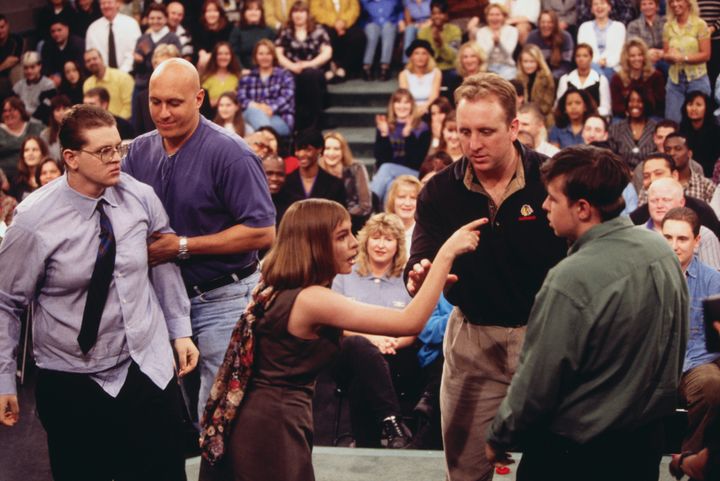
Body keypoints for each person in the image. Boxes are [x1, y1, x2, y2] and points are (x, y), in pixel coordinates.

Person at [197, 198, 483, 480]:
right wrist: (446, 253)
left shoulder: (279, 288)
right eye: (342, 236)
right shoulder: (312, 299)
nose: (354, 244)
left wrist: (428, 288)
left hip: (267, 419)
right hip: (272, 427)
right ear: (315, 243)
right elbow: (408, 323)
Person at [0, 104, 199, 481]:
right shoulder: (33, 220)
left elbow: (164, 257)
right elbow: (5, 303)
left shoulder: (140, 197)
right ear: (71, 158)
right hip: (72, 377)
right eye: (103, 151)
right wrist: (3, 379)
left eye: (118, 148)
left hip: (144, 365)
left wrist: (179, 329)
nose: (115, 159)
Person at [485, 145, 688, 481]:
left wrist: (500, 433)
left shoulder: (571, 277)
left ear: (582, 208)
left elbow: (538, 379)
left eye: (552, 198)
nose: (544, 205)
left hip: (573, 455)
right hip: (644, 446)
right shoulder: (661, 252)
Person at [405, 72, 567, 481]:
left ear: (514, 128)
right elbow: (421, 255)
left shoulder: (553, 178)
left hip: (548, 339)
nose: (473, 144)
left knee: (557, 467)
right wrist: (419, 272)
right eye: (464, 131)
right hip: (473, 342)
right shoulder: (439, 191)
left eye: (486, 131)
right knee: (465, 471)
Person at [122, 58, 276, 421]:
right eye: (155, 102)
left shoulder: (231, 153)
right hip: (162, 301)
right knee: (175, 420)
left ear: (199, 98)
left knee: (219, 417)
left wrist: (183, 246)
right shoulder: (139, 151)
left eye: (174, 102)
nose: (163, 112)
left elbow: (262, 231)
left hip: (224, 297)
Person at [332, 212, 419, 448]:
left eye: (388, 239)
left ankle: (367, 442)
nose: (381, 245)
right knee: (359, 347)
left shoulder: (407, 278)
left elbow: (414, 328)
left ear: (398, 245)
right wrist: (374, 340)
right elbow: (335, 324)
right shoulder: (345, 274)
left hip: (396, 355)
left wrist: (392, 343)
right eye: (376, 238)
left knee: (365, 375)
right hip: (348, 355)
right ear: (365, 241)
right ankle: (393, 424)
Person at [660, 206, 720, 464]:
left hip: (696, 363)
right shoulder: (645, 276)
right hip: (653, 365)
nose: (674, 246)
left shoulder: (713, 281)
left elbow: (715, 341)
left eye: (682, 238)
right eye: (668, 238)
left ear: (696, 242)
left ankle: (689, 459)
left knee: (711, 386)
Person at [630, 152, 720, 238]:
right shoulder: (638, 217)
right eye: (646, 176)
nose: (653, 179)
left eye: (658, 173)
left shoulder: (701, 211)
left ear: (674, 175)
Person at [276, 0, 332, 131]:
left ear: (307, 14)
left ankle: (315, 122)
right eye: (295, 12)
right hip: (291, 69)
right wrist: (292, 66)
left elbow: (327, 52)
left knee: (311, 75)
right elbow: (278, 53)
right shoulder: (285, 31)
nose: (298, 15)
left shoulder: (318, 30)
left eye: (301, 12)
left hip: (313, 70)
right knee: (290, 78)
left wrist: (309, 64)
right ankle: (297, 124)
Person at [370, 88, 431, 202]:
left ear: (411, 105)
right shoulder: (385, 125)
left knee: (386, 168)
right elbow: (380, 158)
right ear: (392, 105)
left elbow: (416, 161)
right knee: (390, 185)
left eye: (406, 102)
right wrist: (384, 134)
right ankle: (387, 217)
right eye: (398, 102)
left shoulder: (422, 127)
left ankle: (369, 203)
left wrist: (408, 135)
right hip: (389, 174)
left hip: (413, 172)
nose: (402, 106)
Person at [647, 177, 720, 268]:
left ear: (681, 202)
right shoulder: (638, 235)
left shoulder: (704, 235)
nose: (659, 205)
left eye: (666, 200)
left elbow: (713, 278)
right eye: (653, 201)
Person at [663, 0, 712, 123]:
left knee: (700, 122)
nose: (675, 4)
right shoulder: (667, 26)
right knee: (672, 122)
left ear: (688, 2)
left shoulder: (700, 25)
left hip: (697, 79)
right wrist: (668, 56)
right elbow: (666, 55)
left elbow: (706, 55)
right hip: (675, 81)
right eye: (671, 2)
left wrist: (683, 58)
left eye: (678, 0)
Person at [237, 39, 295, 137]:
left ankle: (261, 138)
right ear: (255, 56)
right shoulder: (247, 77)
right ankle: (266, 139)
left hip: (280, 119)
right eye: (261, 54)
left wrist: (271, 108)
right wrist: (257, 107)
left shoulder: (285, 76)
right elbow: (241, 99)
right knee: (252, 113)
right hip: (251, 116)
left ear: (273, 56)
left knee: (249, 131)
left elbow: (287, 98)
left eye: (268, 54)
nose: (264, 57)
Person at [320, 131, 372, 231]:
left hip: (354, 221)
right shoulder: (318, 171)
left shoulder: (356, 168)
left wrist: (342, 217)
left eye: (336, 149)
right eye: (327, 149)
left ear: (343, 151)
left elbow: (365, 205)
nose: (331, 153)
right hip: (324, 223)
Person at [282, 128, 347, 205]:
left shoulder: (335, 185)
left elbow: (341, 215)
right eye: (298, 150)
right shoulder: (285, 182)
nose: (301, 154)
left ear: (319, 149)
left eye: (308, 150)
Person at [610, 37, 665, 119]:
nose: (637, 59)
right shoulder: (617, 78)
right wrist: (631, 113)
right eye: (632, 56)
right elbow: (617, 106)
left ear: (644, 56)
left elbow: (659, 104)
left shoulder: (656, 76)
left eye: (640, 55)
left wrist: (641, 113)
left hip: (649, 115)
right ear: (626, 58)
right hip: (626, 116)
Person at [132, 3, 181, 94]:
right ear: (147, 19)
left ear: (166, 19)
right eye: (152, 18)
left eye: (159, 18)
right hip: (142, 86)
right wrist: (139, 61)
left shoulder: (173, 39)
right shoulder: (142, 39)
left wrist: (148, 53)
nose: (155, 21)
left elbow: (174, 65)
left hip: (165, 85)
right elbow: (137, 69)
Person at [310, 0, 365, 81]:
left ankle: (343, 68)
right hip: (327, 24)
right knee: (327, 34)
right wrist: (334, 22)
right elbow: (315, 10)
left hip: (347, 24)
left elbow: (355, 8)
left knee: (358, 36)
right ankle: (329, 68)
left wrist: (343, 22)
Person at [85, 0, 141, 73]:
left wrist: (121, 72)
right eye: (103, 3)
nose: (106, 6)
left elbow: (136, 51)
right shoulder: (93, 29)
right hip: (102, 75)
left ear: (117, 4)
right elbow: (90, 56)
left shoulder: (131, 24)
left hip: (129, 73)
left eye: (109, 2)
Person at [608, 87, 658, 169]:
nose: (635, 104)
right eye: (631, 101)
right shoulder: (615, 129)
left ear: (646, 104)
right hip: (623, 176)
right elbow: (611, 158)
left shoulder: (655, 128)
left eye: (639, 101)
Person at [556, 43, 611, 117]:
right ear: (575, 58)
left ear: (591, 58)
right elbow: (559, 105)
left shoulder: (601, 80)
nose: (581, 59)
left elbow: (605, 108)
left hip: (593, 119)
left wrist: (590, 114)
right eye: (578, 56)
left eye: (585, 56)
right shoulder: (565, 79)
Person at [576, 0, 626, 80]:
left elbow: (620, 51)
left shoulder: (619, 27)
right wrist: (597, 62)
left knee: (605, 75)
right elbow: (583, 51)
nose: (599, 7)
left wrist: (606, 62)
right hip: (590, 67)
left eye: (602, 3)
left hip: (613, 67)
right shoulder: (584, 27)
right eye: (595, 4)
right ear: (592, 9)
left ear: (609, 7)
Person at [417, 0, 461, 85]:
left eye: (440, 13)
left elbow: (453, 56)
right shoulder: (423, 33)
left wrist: (440, 44)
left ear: (446, 15)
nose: (437, 16)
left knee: (455, 76)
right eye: (434, 13)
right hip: (429, 69)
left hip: (449, 69)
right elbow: (423, 57)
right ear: (431, 15)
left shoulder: (455, 30)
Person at [0, 97, 45, 180]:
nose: (7, 114)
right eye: (4, 111)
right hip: (5, 180)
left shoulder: (36, 128)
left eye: (12, 110)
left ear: (21, 111)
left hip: (36, 176)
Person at [665, 131, 716, 204]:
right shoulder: (656, 183)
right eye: (667, 150)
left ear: (689, 154)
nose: (672, 153)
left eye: (678, 149)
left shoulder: (706, 186)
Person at [83, 48, 134, 120]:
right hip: (97, 126)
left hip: (123, 124)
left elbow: (129, 106)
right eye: (88, 61)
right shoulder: (87, 84)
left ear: (102, 59)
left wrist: (115, 123)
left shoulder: (123, 77)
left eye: (94, 59)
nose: (91, 62)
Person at [679, 90, 720, 178]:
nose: (694, 108)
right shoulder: (681, 131)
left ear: (706, 108)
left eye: (698, 105)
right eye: (690, 104)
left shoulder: (716, 132)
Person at [526, 10, 574, 79]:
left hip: (558, 76)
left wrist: (551, 77)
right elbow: (528, 59)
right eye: (543, 22)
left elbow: (566, 65)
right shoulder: (533, 36)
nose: (546, 25)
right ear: (538, 23)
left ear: (555, 24)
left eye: (549, 22)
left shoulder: (566, 37)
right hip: (537, 75)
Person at [360, 0, 401, 81]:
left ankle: (385, 67)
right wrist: (364, 25)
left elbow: (400, 10)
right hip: (372, 23)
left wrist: (400, 20)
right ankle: (367, 66)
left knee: (388, 28)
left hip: (390, 22)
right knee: (372, 31)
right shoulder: (365, 2)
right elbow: (361, 16)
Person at [229, 0, 275, 71]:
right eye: (250, 10)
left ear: (261, 13)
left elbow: (274, 54)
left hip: (267, 70)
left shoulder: (270, 31)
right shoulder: (237, 31)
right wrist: (241, 69)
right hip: (245, 71)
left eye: (257, 10)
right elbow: (234, 54)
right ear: (244, 12)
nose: (253, 13)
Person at [476, 3, 519, 80]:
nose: (494, 17)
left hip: (507, 66)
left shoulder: (512, 31)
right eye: (491, 15)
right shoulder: (481, 32)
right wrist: (493, 44)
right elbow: (483, 56)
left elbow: (508, 53)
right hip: (487, 67)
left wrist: (499, 43)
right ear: (486, 17)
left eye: (497, 14)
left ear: (503, 16)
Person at [516, 44, 556, 126]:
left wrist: (531, 115)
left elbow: (546, 105)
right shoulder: (518, 79)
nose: (528, 65)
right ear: (521, 62)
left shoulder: (546, 78)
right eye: (525, 61)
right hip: (522, 116)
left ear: (538, 62)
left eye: (532, 62)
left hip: (542, 117)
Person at [399, 39, 442, 115]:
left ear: (429, 56)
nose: (420, 57)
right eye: (416, 53)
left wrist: (423, 108)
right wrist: (415, 110)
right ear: (411, 57)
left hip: (430, 109)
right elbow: (406, 96)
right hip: (410, 110)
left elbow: (434, 96)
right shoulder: (404, 74)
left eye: (424, 53)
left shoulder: (436, 72)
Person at [40, 18, 85, 86]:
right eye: (53, 31)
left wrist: (63, 78)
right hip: (55, 77)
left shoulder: (78, 43)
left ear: (67, 29)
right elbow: (45, 67)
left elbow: (81, 66)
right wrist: (50, 77)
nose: (56, 34)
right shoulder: (47, 45)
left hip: (74, 76)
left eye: (59, 30)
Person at [13, 52, 57, 121]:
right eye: (26, 68)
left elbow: (46, 109)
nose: (29, 71)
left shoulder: (48, 85)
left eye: (32, 67)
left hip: (40, 122)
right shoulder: (18, 86)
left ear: (39, 66)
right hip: (21, 121)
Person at [626, 0, 666, 70]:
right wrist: (646, 53)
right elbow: (631, 45)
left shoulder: (665, 22)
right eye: (644, 4)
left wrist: (663, 52)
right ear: (640, 8)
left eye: (650, 4)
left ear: (657, 6)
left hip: (665, 57)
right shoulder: (634, 25)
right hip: (643, 59)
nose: (647, 7)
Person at [386, 174, 421, 252]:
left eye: (413, 198)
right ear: (392, 200)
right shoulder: (381, 227)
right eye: (401, 197)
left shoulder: (424, 232)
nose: (407, 203)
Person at [200, 42, 241, 109]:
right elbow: (204, 103)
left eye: (226, 54)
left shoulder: (237, 77)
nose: (223, 57)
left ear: (231, 56)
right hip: (211, 115)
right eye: (220, 54)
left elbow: (239, 102)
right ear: (215, 56)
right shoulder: (206, 78)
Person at [195, 0, 234, 70]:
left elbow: (226, 47)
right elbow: (198, 46)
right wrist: (202, 53)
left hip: (222, 60)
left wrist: (210, 56)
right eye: (208, 11)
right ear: (204, 14)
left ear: (220, 13)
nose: (212, 14)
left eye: (215, 11)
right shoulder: (199, 28)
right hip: (203, 63)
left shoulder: (228, 28)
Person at [10, 135, 49, 201]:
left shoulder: (50, 177)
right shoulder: (17, 181)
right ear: (23, 155)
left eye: (35, 150)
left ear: (42, 153)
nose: (30, 153)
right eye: (26, 150)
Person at [0, 15, 23, 99]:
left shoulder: (16, 39)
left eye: (2, 27)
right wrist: (5, 64)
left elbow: (14, 60)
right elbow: (7, 61)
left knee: (17, 70)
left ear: (7, 26)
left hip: (12, 71)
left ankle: (19, 103)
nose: (0, 30)